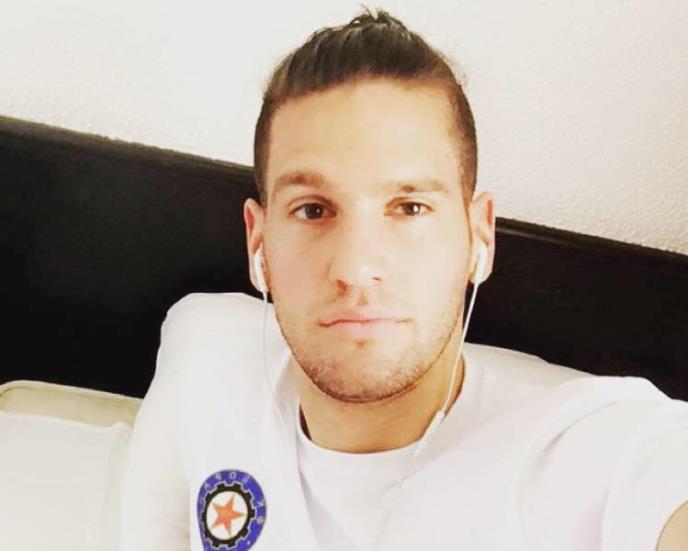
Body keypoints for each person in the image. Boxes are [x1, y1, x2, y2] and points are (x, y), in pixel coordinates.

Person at [118, 8, 688, 551]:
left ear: (479, 238)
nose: (355, 269)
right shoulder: (208, 392)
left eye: (410, 208)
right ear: (258, 243)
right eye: (313, 210)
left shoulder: (586, 454)